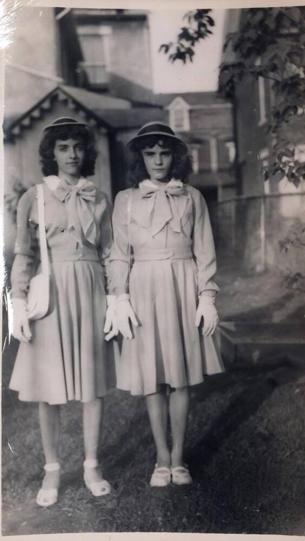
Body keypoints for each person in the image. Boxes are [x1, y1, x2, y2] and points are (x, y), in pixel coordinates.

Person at [109, 122, 224, 487]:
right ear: (141, 158)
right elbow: (118, 255)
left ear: (175, 156)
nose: (158, 160)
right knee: (153, 378)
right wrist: (119, 297)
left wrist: (207, 296)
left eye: (164, 152)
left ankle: (179, 459)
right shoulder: (125, 200)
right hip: (143, 287)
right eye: (150, 153)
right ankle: (161, 459)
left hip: (182, 285)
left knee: (180, 376)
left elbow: (204, 249)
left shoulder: (191, 197)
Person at [9, 117, 116, 507]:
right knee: (48, 389)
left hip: (90, 289)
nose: (72, 155)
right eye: (63, 148)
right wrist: (17, 301)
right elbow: (24, 253)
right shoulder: (33, 198)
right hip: (51, 292)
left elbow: (109, 252)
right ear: (51, 153)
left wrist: (117, 296)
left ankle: (91, 465)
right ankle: (52, 469)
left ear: (87, 152)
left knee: (91, 385)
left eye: (78, 147)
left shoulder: (98, 197)